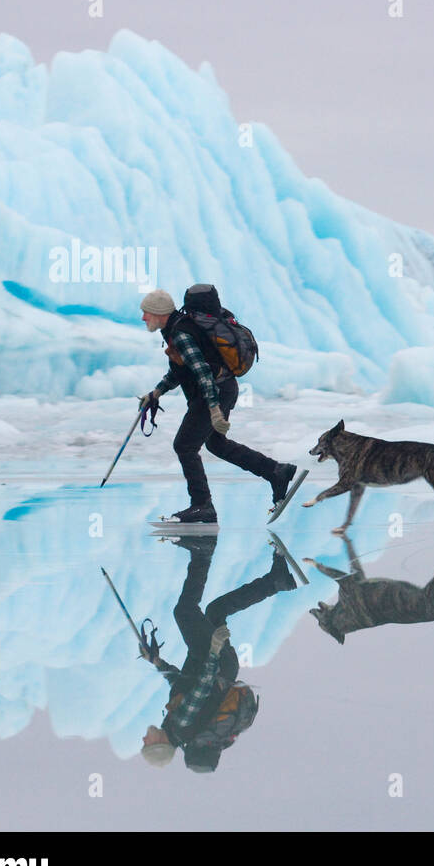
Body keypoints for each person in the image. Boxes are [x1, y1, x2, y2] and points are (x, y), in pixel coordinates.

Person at [140, 534, 298, 772]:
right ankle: (202, 551)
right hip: (213, 662)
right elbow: (203, 686)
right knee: (184, 611)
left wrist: (157, 662)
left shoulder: (177, 728)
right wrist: (214, 649)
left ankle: (277, 581)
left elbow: (184, 684)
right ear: (160, 744)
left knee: (216, 611)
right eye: (147, 745)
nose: (144, 740)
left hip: (219, 665)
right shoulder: (181, 724)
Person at [139, 286, 297, 523]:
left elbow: (203, 373)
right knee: (216, 444)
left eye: (147, 313)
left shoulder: (180, 333)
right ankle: (276, 472)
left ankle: (202, 505)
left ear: (160, 313)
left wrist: (213, 410)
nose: (143, 318)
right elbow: (181, 369)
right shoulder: (176, 329)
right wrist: (156, 393)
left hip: (214, 392)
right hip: (222, 389)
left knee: (184, 445)